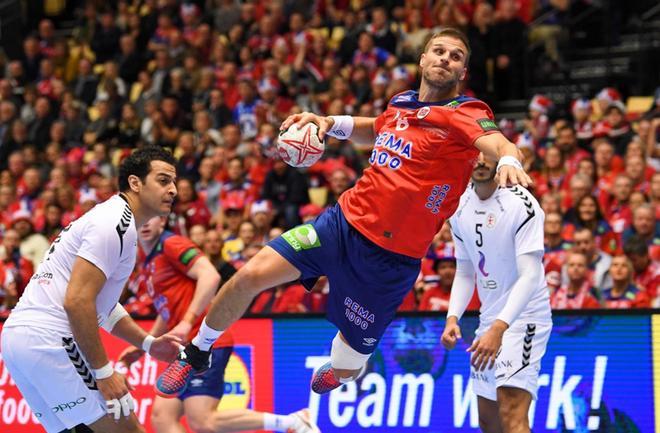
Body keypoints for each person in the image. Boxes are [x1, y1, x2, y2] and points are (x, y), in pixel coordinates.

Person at [156, 28, 532, 398]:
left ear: (462, 73)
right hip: (341, 224)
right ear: (422, 59)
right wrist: (326, 123)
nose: (445, 59)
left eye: (456, 56)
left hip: (390, 261)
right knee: (249, 276)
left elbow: (496, 141)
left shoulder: (463, 111)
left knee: (348, 365)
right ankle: (198, 351)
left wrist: (508, 160)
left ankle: (339, 370)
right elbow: (378, 128)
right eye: (438, 51)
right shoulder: (401, 102)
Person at [0, 146, 182, 433]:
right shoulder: (115, 224)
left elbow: (101, 305)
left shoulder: (114, 220)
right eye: (163, 180)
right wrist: (103, 372)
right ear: (135, 183)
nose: (173, 190)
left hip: (19, 339)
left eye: (174, 182)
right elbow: (78, 301)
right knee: (128, 430)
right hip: (50, 338)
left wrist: (147, 343)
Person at [121, 216, 319, 433]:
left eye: (153, 218)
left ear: (163, 221)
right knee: (162, 417)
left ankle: (292, 422)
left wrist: (188, 322)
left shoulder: (171, 244)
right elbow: (166, 309)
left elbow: (210, 276)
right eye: (142, 219)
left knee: (203, 421)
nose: (146, 223)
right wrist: (144, 345)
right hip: (182, 348)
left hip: (204, 342)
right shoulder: (147, 260)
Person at [441, 153, 552, 433]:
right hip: (489, 318)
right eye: (474, 155)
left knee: (512, 412)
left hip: (524, 317)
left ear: (500, 159)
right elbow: (465, 270)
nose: (480, 162)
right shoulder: (458, 206)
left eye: (487, 156)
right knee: (488, 420)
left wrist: (499, 328)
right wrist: (453, 317)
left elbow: (530, 275)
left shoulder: (522, 205)